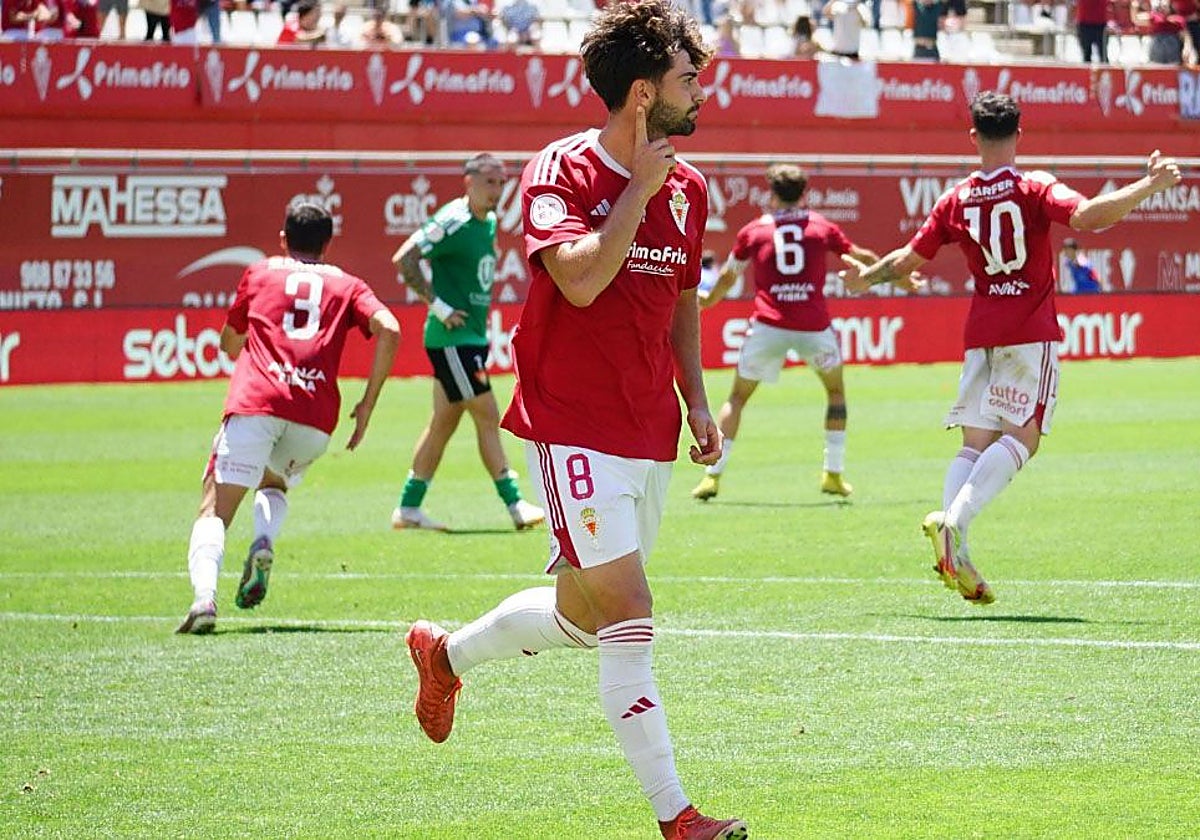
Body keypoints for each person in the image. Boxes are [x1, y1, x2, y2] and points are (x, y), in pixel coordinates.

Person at [402, 2, 747, 838]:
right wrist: (636, 192)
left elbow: (682, 301)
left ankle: (443, 655)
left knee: (584, 619)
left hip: (646, 429)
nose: (701, 90)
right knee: (630, 610)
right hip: (572, 425)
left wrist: (697, 397)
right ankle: (678, 817)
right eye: (686, 78)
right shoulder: (560, 170)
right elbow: (583, 281)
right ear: (641, 94)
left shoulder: (691, 187)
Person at [841, 91, 1181, 606]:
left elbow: (910, 258)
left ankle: (955, 542)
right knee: (1025, 438)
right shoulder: (1033, 184)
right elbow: (1087, 217)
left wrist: (867, 278)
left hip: (981, 334)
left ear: (974, 137)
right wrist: (1148, 185)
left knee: (974, 443)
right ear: (1020, 135)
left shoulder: (955, 198)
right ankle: (954, 524)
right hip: (1029, 330)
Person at [176, 200, 401, 634]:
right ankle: (265, 540)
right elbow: (390, 328)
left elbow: (229, 342)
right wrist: (368, 403)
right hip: (315, 418)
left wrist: (245, 347)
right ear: (327, 243)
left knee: (214, 508)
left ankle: (204, 599)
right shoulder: (348, 284)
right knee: (274, 480)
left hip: (257, 403)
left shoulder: (260, 272)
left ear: (283, 238)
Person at [692, 164, 889, 503]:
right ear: (805, 193)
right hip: (814, 327)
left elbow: (728, 275)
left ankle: (712, 477)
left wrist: (708, 300)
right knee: (836, 394)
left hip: (768, 326)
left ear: (771, 194)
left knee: (737, 399)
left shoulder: (754, 231)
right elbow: (861, 257)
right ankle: (833, 473)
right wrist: (897, 276)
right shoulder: (821, 226)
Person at [389, 153, 544, 533]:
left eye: (501, 182)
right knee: (488, 413)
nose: (497, 190)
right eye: (489, 181)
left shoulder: (487, 223)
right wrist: (439, 307)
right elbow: (404, 258)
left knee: (443, 422)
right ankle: (514, 505)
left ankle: (408, 508)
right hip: (452, 338)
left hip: (469, 337)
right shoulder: (452, 220)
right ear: (468, 181)